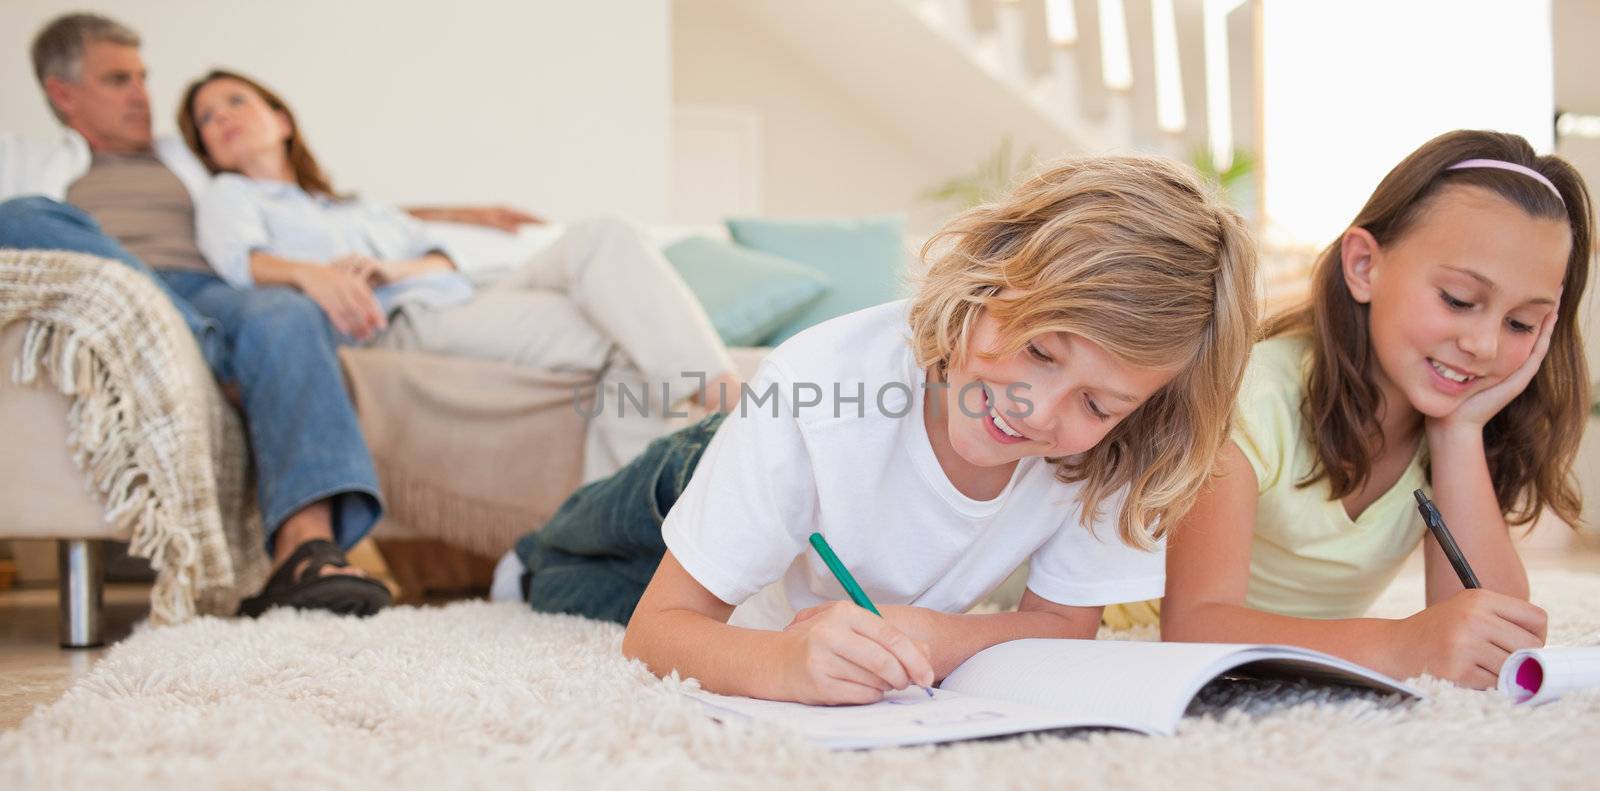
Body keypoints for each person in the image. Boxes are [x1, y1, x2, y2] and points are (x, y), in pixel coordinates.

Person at [499, 155, 1261, 704]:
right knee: (568, 576)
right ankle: (528, 556)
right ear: (990, 278)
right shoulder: (816, 386)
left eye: (1097, 404)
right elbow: (656, 633)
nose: (1039, 409)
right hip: (689, 477)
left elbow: (1063, 623)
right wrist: (783, 666)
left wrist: (934, 634)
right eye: (1037, 350)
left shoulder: (1116, 449)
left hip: (801, 556)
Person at [0, 14, 526, 615]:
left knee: (285, 311)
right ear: (63, 94)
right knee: (21, 213)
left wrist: (462, 215)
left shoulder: (190, 162)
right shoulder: (30, 163)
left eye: (143, 77)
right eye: (118, 80)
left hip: (216, 296)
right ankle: (208, 347)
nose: (142, 94)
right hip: (124, 293)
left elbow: (314, 205)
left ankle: (305, 551)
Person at [1160, 130, 1591, 689]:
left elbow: (1497, 641)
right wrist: (1400, 642)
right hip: (1123, 620)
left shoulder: (1465, 421)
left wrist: (1458, 435)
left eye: (1520, 324)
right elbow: (1193, 627)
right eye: (1458, 300)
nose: (1484, 344)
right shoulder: (1247, 396)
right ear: (1364, 265)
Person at [176, 70, 741, 445]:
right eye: (205, 118)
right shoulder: (230, 197)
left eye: (235, 101)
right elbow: (237, 261)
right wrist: (313, 275)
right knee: (622, 340)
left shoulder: (357, 208)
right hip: (408, 320)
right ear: (206, 150)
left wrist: (396, 267)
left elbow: (437, 258)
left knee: (606, 234)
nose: (221, 117)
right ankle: (733, 427)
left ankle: (725, 400)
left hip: (462, 291)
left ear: (281, 120)